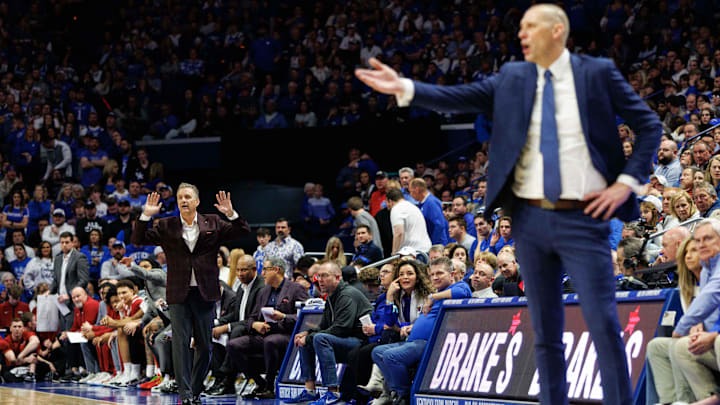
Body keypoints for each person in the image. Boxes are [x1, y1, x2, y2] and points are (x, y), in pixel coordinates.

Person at [357, 4, 661, 403]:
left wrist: (624, 183)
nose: (521, 32)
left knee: (603, 323)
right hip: (531, 220)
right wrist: (406, 88)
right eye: (520, 26)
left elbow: (649, 125)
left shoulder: (597, 72)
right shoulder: (514, 75)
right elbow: (460, 96)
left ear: (556, 31)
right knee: (546, 333)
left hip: (584, 219)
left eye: (530, 26)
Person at [131, 184, 250, 405]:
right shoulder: (167, 225)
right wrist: (146, 214)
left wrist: (231, 214)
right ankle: (185, 395)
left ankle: (194, 390)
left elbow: (243, 231)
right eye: (179, 198)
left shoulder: (213, 222)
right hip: (178, 293)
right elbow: (138, 239)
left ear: (196, 201)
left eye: (187, 197)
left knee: (204, 346)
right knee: (181, 343)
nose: (183, 200)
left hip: (205, 293)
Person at [372, 257, 472, 405]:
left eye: (439, 273)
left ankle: (404, 395)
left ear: (452, 274)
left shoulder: (455, 288)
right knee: (377, 352)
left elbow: (463, 291)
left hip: (429, 342)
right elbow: (389, 322)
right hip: (412, 340)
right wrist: (389, 297)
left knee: (391, 356)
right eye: (432, 274)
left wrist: (432, 297)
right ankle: (396, 392)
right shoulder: (439, 292)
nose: (435, 277)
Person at [285, 261, 373, 405]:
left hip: (360, 342)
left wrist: (310, 338)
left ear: (338, 278)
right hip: (345, 339)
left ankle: (332, 392)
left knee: (319, 339)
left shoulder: (347, 295)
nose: (320, 280)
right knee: (304, 338)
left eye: (325, 276)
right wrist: (306, 333)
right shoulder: (331, 296)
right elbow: (323, 325)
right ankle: (310, 391)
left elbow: (341, 328)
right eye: (318, 276)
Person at [227, 256, 309, 399]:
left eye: (265, 269)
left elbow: (306, 316)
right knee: (233, 345)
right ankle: (260, 382)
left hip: (287, 334)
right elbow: (251, 317)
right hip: (264, 333)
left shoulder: (296, 289)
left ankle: (270, 387)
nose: (262, 273)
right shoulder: (264, 291)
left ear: (276, 270)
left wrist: (283, 316)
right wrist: (255, 324)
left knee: (270, 341)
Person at [646, 237, 701, 404]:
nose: (689, 257)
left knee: (680, 344)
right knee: (655, 346)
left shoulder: (713, 280)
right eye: (686, 254)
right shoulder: (686, 285)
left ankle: (685, 400)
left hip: (711, 337)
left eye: (694, 251)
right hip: (694, 337)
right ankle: (666, 400)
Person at [670, 219, 720, 400]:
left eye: (707, 239)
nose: (701, 245)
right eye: (698, 241)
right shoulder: (708, 268)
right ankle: (692, 400)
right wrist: (699, 326)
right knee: (683, 347)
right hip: (713, 331)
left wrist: (682, 328)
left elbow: (712, 297)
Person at [208, 254, 265, 396]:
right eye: (238, 270)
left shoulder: (261, 288)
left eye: (244, 270)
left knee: (236, 332)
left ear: (254, 269)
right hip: (239, 329)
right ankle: (220, 379)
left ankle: (227, 380)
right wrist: (216, 323)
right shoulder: (241, 287)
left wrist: (226, 327)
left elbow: (253, 319)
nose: (240, 274)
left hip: (254, 331)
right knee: (213, 334)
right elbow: (235, 315)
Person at [50, 232, 90, 331]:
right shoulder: (58, 259)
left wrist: (70, 295)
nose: (64, 245)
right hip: (61, 302)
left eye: (67, 242)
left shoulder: (80, 257)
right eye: (62, 242)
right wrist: (49, 291)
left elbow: (83, 280)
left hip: (74, 302)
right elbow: (56, 279)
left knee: (71, 333)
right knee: (63, 332)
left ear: (72, 243)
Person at [386, 188, 431, 255]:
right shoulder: (413, 207)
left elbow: (399, 233)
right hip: (425, 249)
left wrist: (394, 253)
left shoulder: (396, 208)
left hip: (413, 252)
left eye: (386, 202)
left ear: (390, 201)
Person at [408, 178, 449, 245]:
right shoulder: (423, 203)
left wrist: (433, 244)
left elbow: (439, 225)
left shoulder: (431, 203)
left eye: (411, 191)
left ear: (417, 190)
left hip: (437, 245)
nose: (410, 195)